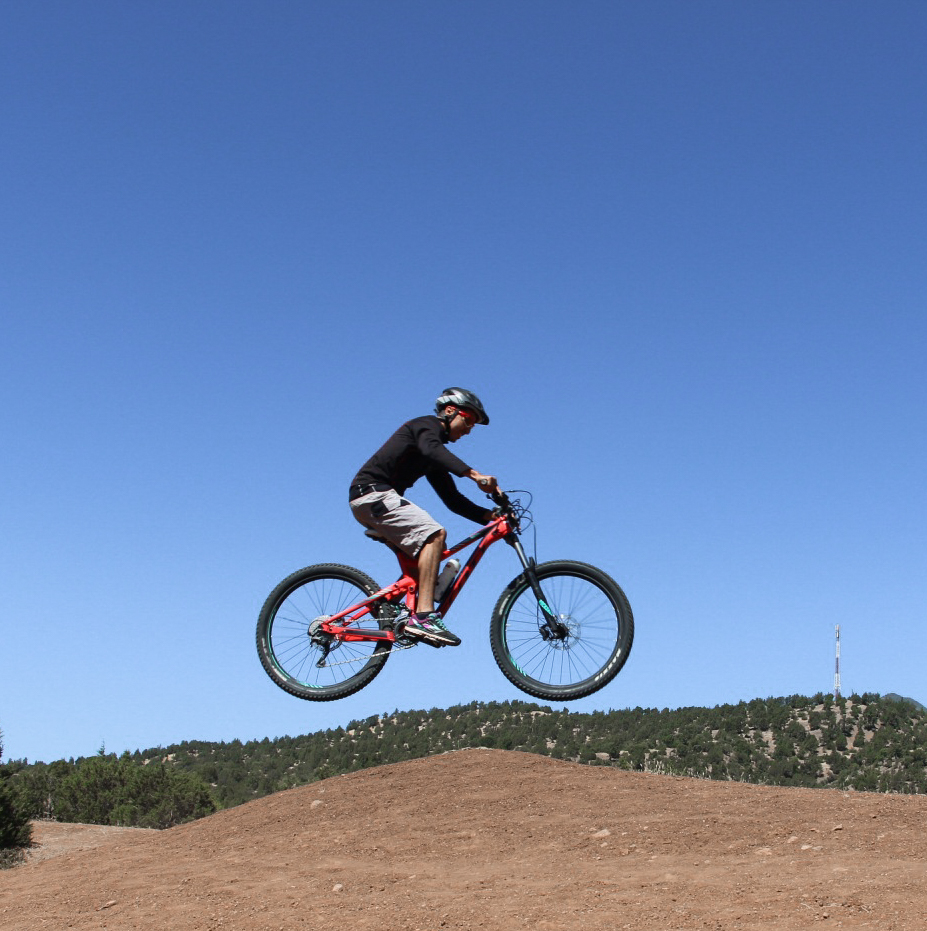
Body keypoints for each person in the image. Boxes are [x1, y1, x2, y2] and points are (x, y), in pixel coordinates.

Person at [348, 387, 499, 647]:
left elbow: (453, 500)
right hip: (372, 494)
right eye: (469, 421)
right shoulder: (425, 427)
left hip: (379, 501)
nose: (469, 430)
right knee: (434, 535)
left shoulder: (432, 455)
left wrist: (493, 517)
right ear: (450, 411)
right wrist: (475, 475)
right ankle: (424, 617)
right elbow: (432, 449)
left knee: (428, 560)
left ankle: (385, 606)